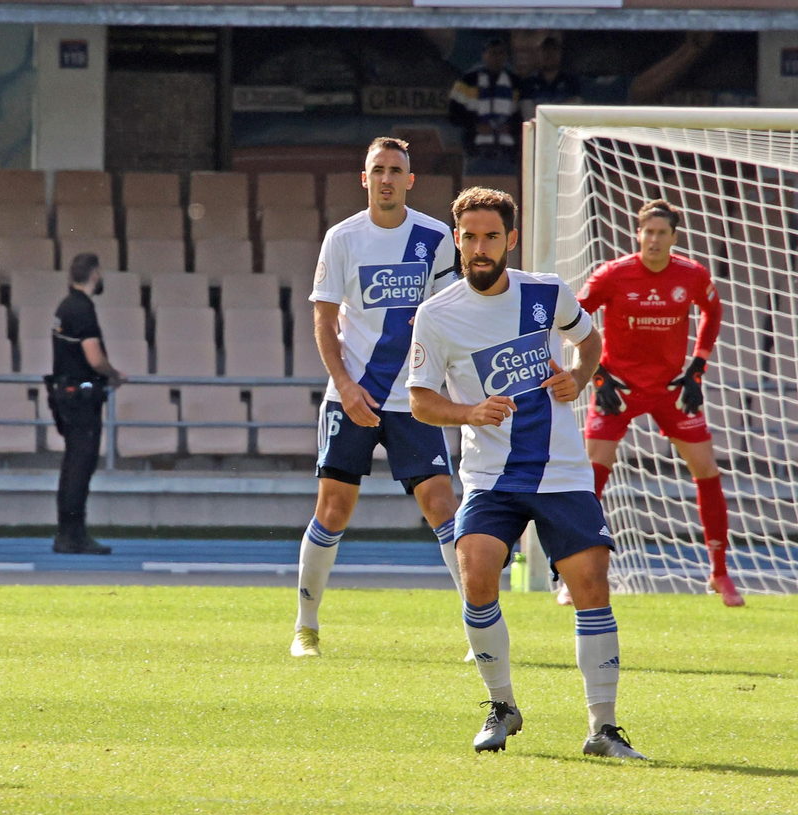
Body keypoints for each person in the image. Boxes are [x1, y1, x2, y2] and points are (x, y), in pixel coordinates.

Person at [408, 186, 645, 760]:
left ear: (511, 239)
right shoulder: (437, 315)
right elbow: (419, 399)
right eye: (469, 237)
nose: (479, 248)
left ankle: (604, 728)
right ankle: (501, 705)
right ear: (457, 240)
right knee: (478, 573)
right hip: (492, 476)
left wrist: (579, 376)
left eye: (491, 236)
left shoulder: (546, 293)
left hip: (562, 471)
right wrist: (468, 412)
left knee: (591, 585)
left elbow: (589, 341)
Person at [292, 137, 463, 658]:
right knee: (334, 509)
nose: (387, 177)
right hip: (353, 397)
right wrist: (344, 386)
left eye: (397, 170)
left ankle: (477, 629)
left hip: (412, 399)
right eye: (378, 169)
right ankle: (306, 627)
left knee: (441, 505)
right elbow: (323, 319)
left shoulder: (434, 237)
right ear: (364, 178)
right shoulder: (342, 239)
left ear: (411, 180)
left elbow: (451, 313)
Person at [574, 199, 740, 607]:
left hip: (671, 389)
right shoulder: (612, 275)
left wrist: (697, 367)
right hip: (619, 389)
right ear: (638, 234)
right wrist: (596, 375)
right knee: (591, 475)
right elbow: (572, 318)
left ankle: (720, 573)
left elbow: (712, 313)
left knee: (706, 469)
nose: (653, 239)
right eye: (647, 231)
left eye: (661, 232)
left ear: (674, 238)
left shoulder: (692, 275)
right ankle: (573, 575)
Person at [47, 252, 125, 555]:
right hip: (81, 397)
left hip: (65, 394)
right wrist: (114, 375)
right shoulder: (82, 309)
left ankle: (66, 531)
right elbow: (94, 357)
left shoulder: (65, 307)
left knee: (72, 466)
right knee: (81, 465)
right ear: (94, 274)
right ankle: (73, 534)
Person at [449, 37, 520, 175]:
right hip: (476, 152)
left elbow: (523, 116)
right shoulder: (468, 80)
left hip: (507, 154)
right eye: (492, 53)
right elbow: (453, 115)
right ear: (484, 55)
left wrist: (511, 127)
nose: (496, 57)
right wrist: (475, 126)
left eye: (500, 53)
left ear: (505, 56)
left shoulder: (515, 82)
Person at [519, 36, 582, 121]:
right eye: (545, 51)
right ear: (538, 55)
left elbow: (575, 109)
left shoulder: (571, 81)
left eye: (553, 51)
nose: (549, 55)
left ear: (560, 54)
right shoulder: (528, 83)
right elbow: (528, 115)